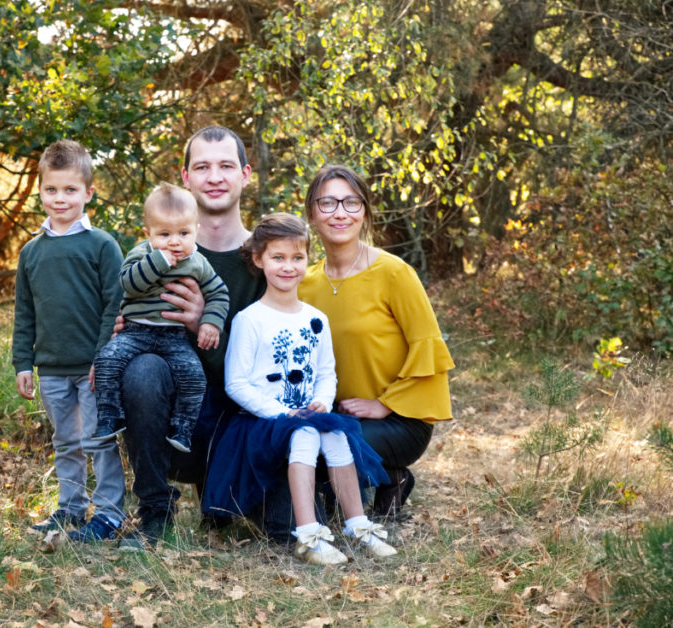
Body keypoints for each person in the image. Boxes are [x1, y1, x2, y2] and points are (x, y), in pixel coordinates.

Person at [116, 125, 279, 550]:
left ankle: (227, 493)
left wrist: (199, 322)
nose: (214, 177)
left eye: (226, 166)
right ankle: (155, 512)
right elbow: (119, 313)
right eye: (202, 167)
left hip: (241, 417)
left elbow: (271, 369)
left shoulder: (269, 261)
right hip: (172, 422)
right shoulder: (156, 253)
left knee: (274, 525)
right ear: (186, 178)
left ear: (245, 175)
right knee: (143, 368)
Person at [202, 213, 395, 565]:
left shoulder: (314, 318)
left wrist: (322, 400)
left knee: (336, 433)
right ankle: (309, 535)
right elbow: (236, 383)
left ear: (309, 259)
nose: (288, 267)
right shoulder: (249, 320)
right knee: (305, 433)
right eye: (278, 257)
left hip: (308, 412)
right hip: (263, 422)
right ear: (259, 260)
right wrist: (281, 413)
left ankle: (358, 524)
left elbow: (326, 373)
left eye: (297, 257)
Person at [298, 164, 455, 519]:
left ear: (365, 211)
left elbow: (427, 347)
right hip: (337, 414)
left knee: (328, 453)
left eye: (351, 202)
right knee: (294, 450)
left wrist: (385, 404)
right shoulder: (305, 284)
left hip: (398, 420)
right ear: (311, 212)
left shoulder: (394, 273)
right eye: (328, 203)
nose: (340, 212)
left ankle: (393, 477)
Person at [11, 139, 127, 543]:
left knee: (98, 440)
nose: (60, 199)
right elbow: (25, 312)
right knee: (65, 441)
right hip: (53, 369)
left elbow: (116, 306)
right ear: (40, 191)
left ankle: (110, 512)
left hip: (93, 366)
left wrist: (103, 358)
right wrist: (23, 363)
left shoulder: (101, 245)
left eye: (70, 190)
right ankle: (71, 508)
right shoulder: (31, 252)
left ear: (88, 193)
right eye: (52, 190)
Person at [91, 183, 229, 453]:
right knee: (106, 360)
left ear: (196, 231)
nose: (175, 241)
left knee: (194, 376)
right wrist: (158, 261)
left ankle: (182, 428)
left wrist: (211, 322)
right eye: (164, 234)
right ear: (148, 234)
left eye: (183, 233)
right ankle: (110, 416)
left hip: (174, 337)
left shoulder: (198, 262)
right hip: (134, 332)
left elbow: (219, 293)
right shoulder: (142, 254)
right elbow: (129, 283)